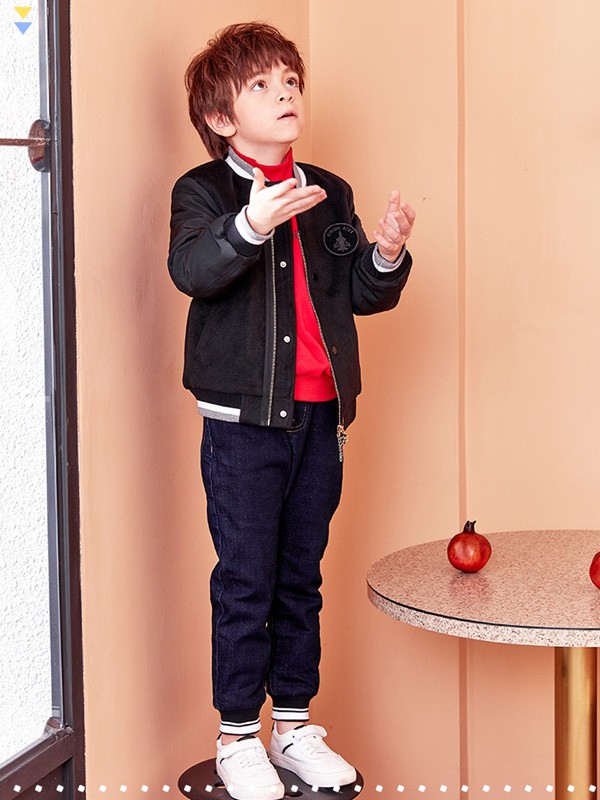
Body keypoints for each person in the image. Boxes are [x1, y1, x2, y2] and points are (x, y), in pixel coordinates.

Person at [168, 21, 415, 800]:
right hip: (244, 424)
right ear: (221, 117)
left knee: (300, 577)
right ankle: (238, 736)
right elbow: (192, 269)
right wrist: (253, 222)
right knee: (246, 579)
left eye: (291, 82)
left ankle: (295, 729)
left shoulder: (329, 189)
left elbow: (358, 296)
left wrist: (385, 253)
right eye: (262, 85)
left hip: (321, 419)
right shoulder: (202, 192)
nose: (285, 95)